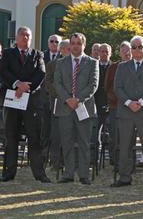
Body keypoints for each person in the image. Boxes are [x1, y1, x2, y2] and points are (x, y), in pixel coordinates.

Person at [0, 26, 49, 183]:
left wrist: (26, 87)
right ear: (16, 37)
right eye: (23, 35)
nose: (26, 38)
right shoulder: (7, 54)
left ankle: (39, 173)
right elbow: (3, 72)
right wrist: (17, 84)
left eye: (28, 35)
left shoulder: (37, 54)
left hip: (31, 102)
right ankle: (9, 173)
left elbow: (41, 73)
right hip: (12, 100)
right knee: (11, 136)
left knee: (34, 138)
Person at [112, 35, 143, 190]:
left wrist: (140, 102)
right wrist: (129, 103)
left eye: (140, 47)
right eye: (134, 47)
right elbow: (117, 88)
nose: (137, 50)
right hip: (126, 112)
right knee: (125, 146)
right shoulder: (122, 66)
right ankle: (124, 177)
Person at [53, 33, 99, 184]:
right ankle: (68, 173)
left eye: (78, 43)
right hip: (65, 108)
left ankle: (84, 174)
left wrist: (78, 99)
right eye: (73, 43)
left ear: (84, 45)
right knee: (67, 142)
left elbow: (93, 85)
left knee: (84, 142)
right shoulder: (61, 62)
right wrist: (67, 99)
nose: (75, 46)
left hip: (83, 107)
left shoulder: (92, 62)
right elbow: (57, 83)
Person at [105, 41, 131, 167]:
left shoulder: (135, 66)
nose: (127, 53)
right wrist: (118, 99)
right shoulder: (113, 67)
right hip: (116, 106)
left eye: (129, 51)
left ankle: (127, 160)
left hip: (132, 108)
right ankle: (114, 160)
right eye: (124, 51)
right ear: (120, 53)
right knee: (115, 135)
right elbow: (107, 87)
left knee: (128, 136)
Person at [45, 39, 70, 169]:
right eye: (68, 49)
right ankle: (55, 162)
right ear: (62, 50)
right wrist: (61, 94)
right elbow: (48, 82)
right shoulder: (52, 64)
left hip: (71, 104)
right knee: (56, 134)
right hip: (57, 102)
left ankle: (68, 161)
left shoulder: (75, 63)